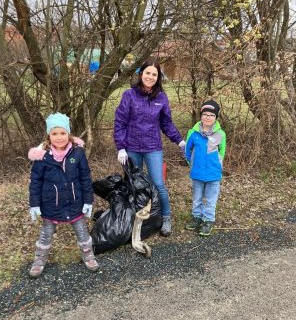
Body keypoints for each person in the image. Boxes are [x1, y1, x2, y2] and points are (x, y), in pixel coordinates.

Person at [114, 59, 186, 236]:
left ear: (158, 77)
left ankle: (166, 217)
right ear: (141, 74)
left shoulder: (161, 97)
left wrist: (180, 141)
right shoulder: (129, 95)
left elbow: (166, 123)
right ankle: (131, 217)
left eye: (154, 74)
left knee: (158, 183)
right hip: (131, 147)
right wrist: (121, 147)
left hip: (153, 147)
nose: (151, 76)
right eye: (148, 73)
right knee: (132, 184)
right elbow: (120, 122)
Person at [28, 112, 99, 277]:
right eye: (54, 133)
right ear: (48, 135)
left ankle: (88, 255)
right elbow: (36, 182)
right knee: (46, 234)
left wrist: (88, 201)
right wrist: (34, 203)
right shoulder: (42, 157)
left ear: (68, 134)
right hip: (50, 204)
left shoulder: (78, 153)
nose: (59, 137)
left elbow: (85, 178)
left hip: (75, 202)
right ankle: (39, 260)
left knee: (82, 232)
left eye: (62, 133)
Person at [184, 100, 226, 236]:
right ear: (201, 116)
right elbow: (187, 150)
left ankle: (208, 220)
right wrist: (192, 164)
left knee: (211, 198)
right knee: (197, 197)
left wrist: (218, 166)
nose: (208, 117)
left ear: (216, 118)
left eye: (211, 115)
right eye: (205, 114)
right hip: (197, 172)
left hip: (214, 173)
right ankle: (196, 217)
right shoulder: (193, 133)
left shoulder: (221, 134)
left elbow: (222, 152)